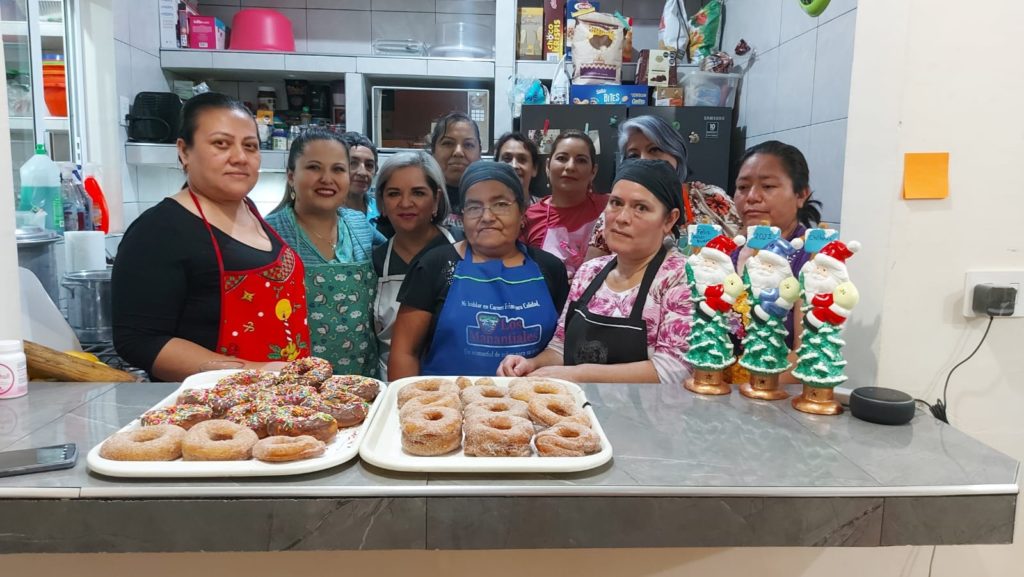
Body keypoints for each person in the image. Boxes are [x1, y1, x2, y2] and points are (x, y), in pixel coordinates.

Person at [113, 92, 310, 381]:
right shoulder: (159, 230)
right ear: (184, 151)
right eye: (221, 144)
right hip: (214, 402)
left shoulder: (251, 211)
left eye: (250, 146)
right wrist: (255, 372)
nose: (239, 157)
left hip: (281, 393)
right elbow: (140, 340)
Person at [499, 159, 693, 385]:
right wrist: (532, 364)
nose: (622, 218)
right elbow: (561, 346)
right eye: (616, 203)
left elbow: (671, 370)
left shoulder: (681, 277)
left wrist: (579, 375)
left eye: (641, 208)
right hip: (581, 405)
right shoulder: (590, 272)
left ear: (669, 219)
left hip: (647, 408)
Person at [389, 162, 569, 379]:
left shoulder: (550, 268)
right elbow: (405, 353)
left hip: (526, 397)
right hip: (447, 398)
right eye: (474, 207)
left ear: (522, 212)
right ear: (462, 215)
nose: (487, 217)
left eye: (500, 204)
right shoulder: (434, 266)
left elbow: (562, 346)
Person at [264, 128, 383, 376]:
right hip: (295, 380)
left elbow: (400, 251)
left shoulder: (359, 225)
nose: (327, 178)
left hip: (360, 377)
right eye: (314, 167)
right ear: (291, 176)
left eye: (338, 169)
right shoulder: (269, 233)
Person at [586, 115, 741, 260]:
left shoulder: (710, 198)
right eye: (633, 156)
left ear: (676, 153)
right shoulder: (617, 210)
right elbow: (593, 270)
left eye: (654, 150)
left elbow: (744, 246)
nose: (644, 160)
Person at [731, 140, 823, 350]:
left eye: (768, 186)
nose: (752, 197)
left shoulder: (814, 260)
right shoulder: (728, 252)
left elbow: (806, 355)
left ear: (801, 195)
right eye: (743, 187)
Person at [372, 151, 455, 378]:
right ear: (382, 202)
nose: (405, 203)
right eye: (394, 193)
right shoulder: (376, 260)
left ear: (436, 199)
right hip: (391, 383)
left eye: (418, 193)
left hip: (453, 379)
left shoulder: (463, 249)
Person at [521, 130, 606, 278]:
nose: (570, 167)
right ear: (547, 166)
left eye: (581, 160)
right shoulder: (528, 218)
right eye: (562, 158)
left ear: (593, 171)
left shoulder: (609, 208)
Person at [427, 112, 482, 233]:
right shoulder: (420, 197)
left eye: (468, 144)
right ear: (433, 150)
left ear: (480, 152)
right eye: (448, 143)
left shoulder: (490, 198)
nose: (458, 152)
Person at [494, 131, 542, 204]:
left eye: (522, 159)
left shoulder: (545, 209)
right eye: (507, 159)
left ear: (534, 168)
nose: (514, 165)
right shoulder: (485, 208)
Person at [340, 131, 379, 219]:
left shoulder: (383, 211)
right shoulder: (327, 213)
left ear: (376, 170)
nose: (362, 172)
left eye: (369, 165)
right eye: (353, 163)